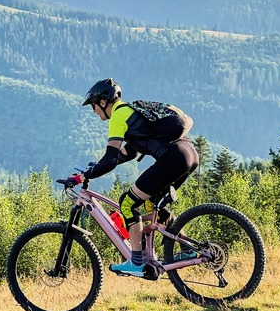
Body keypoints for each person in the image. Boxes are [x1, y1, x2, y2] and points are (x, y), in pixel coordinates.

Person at [66, 78, 199, 277]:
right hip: (188, 154)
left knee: (127, 203)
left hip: (173, 159)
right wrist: (96, 166)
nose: (93, 111)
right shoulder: (130, 112)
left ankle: (136, 262)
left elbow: (110, 159)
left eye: (93, 106)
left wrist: (82, 177)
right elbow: (129, 152)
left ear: (103, 102)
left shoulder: (119, 116)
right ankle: (189, 248)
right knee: (151, 206)